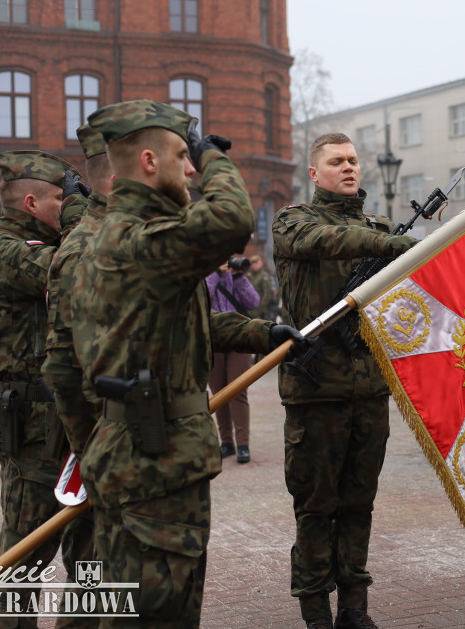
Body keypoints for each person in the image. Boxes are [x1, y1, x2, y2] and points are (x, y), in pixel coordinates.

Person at [70, 99, 300, 628]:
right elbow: (230, 220)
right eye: (183, 156)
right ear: (150, 162)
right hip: (152, 461)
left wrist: (264, 333)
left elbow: (187, 325)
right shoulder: (135, 237)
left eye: (193, 158)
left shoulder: (131, 237)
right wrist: (214, 155)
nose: (192, 170)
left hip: (145, 454)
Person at [271, 132, 418, 629]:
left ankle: (355, 608)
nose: (348, 168)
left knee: (359, 504)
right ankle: (315, 613)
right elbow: (323, 241)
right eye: (337, 162)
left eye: (353, 160)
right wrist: (386, 244)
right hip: (316, 392)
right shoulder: (294, 221)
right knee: (316, 508)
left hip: (370, 389)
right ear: (315, 173)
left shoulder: (379, 225)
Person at [0, 149, 88, 629]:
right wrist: (86, 214)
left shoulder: (47, 245)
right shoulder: (7, 253)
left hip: (74, 423)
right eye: (61, 198)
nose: (68, 205)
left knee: (90, 558)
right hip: (34, 431)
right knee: (23, 560)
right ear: (30, 203)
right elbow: (83, 270)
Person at [39, 124, 113, 629]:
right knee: (51, 550)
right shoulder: (79, 245)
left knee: (98, 555)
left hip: (98, 424)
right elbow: (63, 362)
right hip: (76, 426)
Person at [206, 257, 259, 463]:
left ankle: (243, 444)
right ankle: (226, 442)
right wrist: (216, 274)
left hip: (239, 338)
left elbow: (253, 302)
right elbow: (204, 299)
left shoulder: (235, 276)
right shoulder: (206, 275)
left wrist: (239, 278)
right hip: (213, 340)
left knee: (238, 390)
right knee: (220, 393)